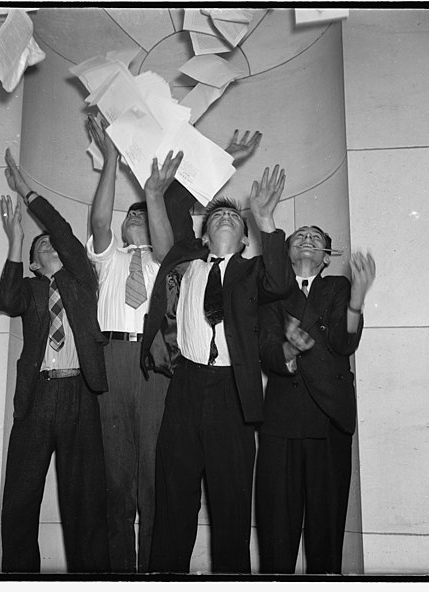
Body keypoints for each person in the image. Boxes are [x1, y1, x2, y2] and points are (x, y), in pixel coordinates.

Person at [85, 115, 262, 573]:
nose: (137, 217)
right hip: (145, 371)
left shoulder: (225, 268)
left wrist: (223, 161)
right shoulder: (146, 261)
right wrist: (128, 172)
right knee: (142, 485)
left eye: (233, 217)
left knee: (196, 495)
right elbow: (132, 219)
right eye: (134, 215)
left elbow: (186, 207)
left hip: (198, 381)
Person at [140, 165, 295, 574]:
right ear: (203, 235)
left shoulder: (253, 271)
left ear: (245, 239)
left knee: (231, 504)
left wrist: (265, 220)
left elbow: (281, 283)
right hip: (186, 386)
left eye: (234, 218)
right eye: (216, 218)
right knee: (174, 498)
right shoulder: (185, 263)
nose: (225, 218)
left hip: (233, 392)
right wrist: (158, 194)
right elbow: (165, 225)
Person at [0, 149, 109, 573]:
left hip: (80, 393)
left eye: (54, 244)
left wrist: (26, 192)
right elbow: (6, 301)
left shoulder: (81, 280)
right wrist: (15, 242)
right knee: (21, 497)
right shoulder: (28, 289)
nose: (51, 246)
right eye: (41, 246)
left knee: (85, 499)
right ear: (33, 261)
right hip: (38, 398)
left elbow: (60, 230)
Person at [255, 226, 376, 574]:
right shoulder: (271, 294)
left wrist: (357, 299)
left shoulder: (338, 288)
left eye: (316, 238)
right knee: (276, 531)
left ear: (327, 258)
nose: (307, 238)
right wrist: (288, 348)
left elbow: (342, 343)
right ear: (286, 253)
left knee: (326, 532)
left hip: (329, 419)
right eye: (299, 236)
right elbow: (265, 351)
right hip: (282, 420)